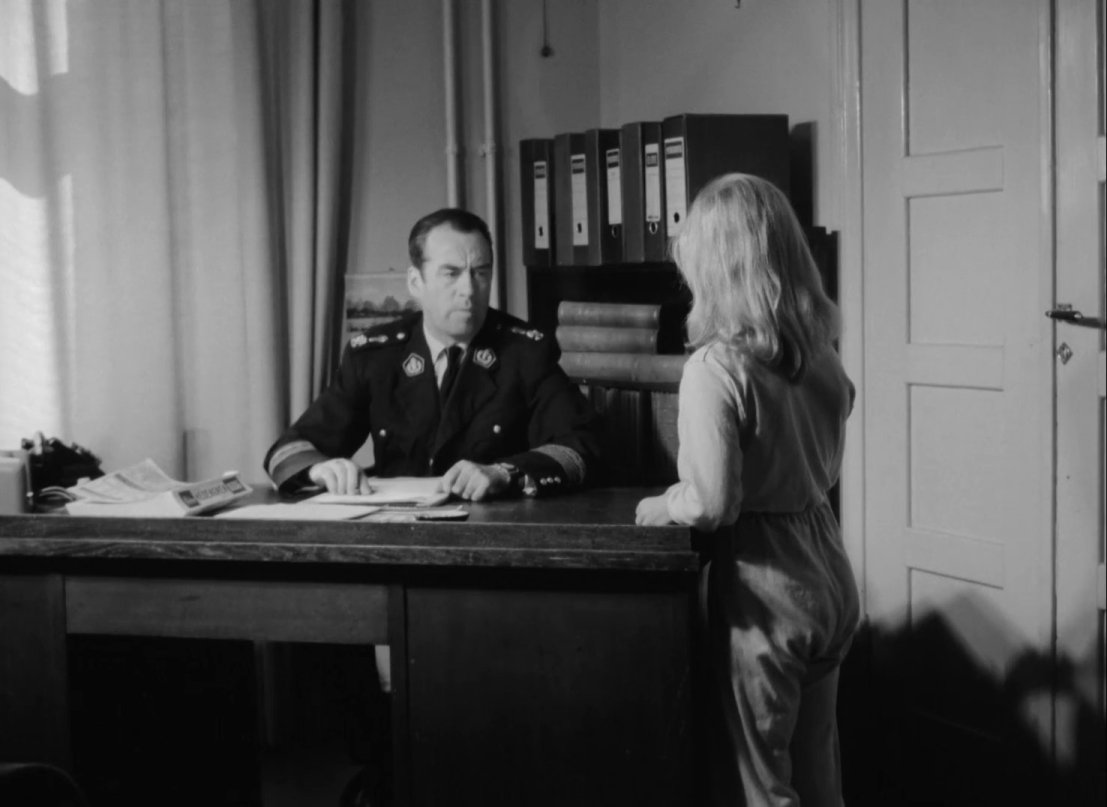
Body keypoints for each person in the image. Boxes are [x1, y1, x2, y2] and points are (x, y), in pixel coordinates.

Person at [636, 174, 859, 806]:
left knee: (760, 785)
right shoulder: (820, 354)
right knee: (819, 769)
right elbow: (830, 442)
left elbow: (713, 503)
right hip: (827, 567)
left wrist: (663, 504)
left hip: (764, 585)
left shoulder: (715, 368)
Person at [265, 207, 601, 499]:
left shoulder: (525, 353)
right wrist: (319, 469)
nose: (468, 290)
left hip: (493, 532)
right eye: (451, 274)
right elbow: (292, 448)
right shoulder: (375, 357)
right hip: (398, 534)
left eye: (481, 273)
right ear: (415, 282)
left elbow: (584, 445)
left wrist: (505, 472)